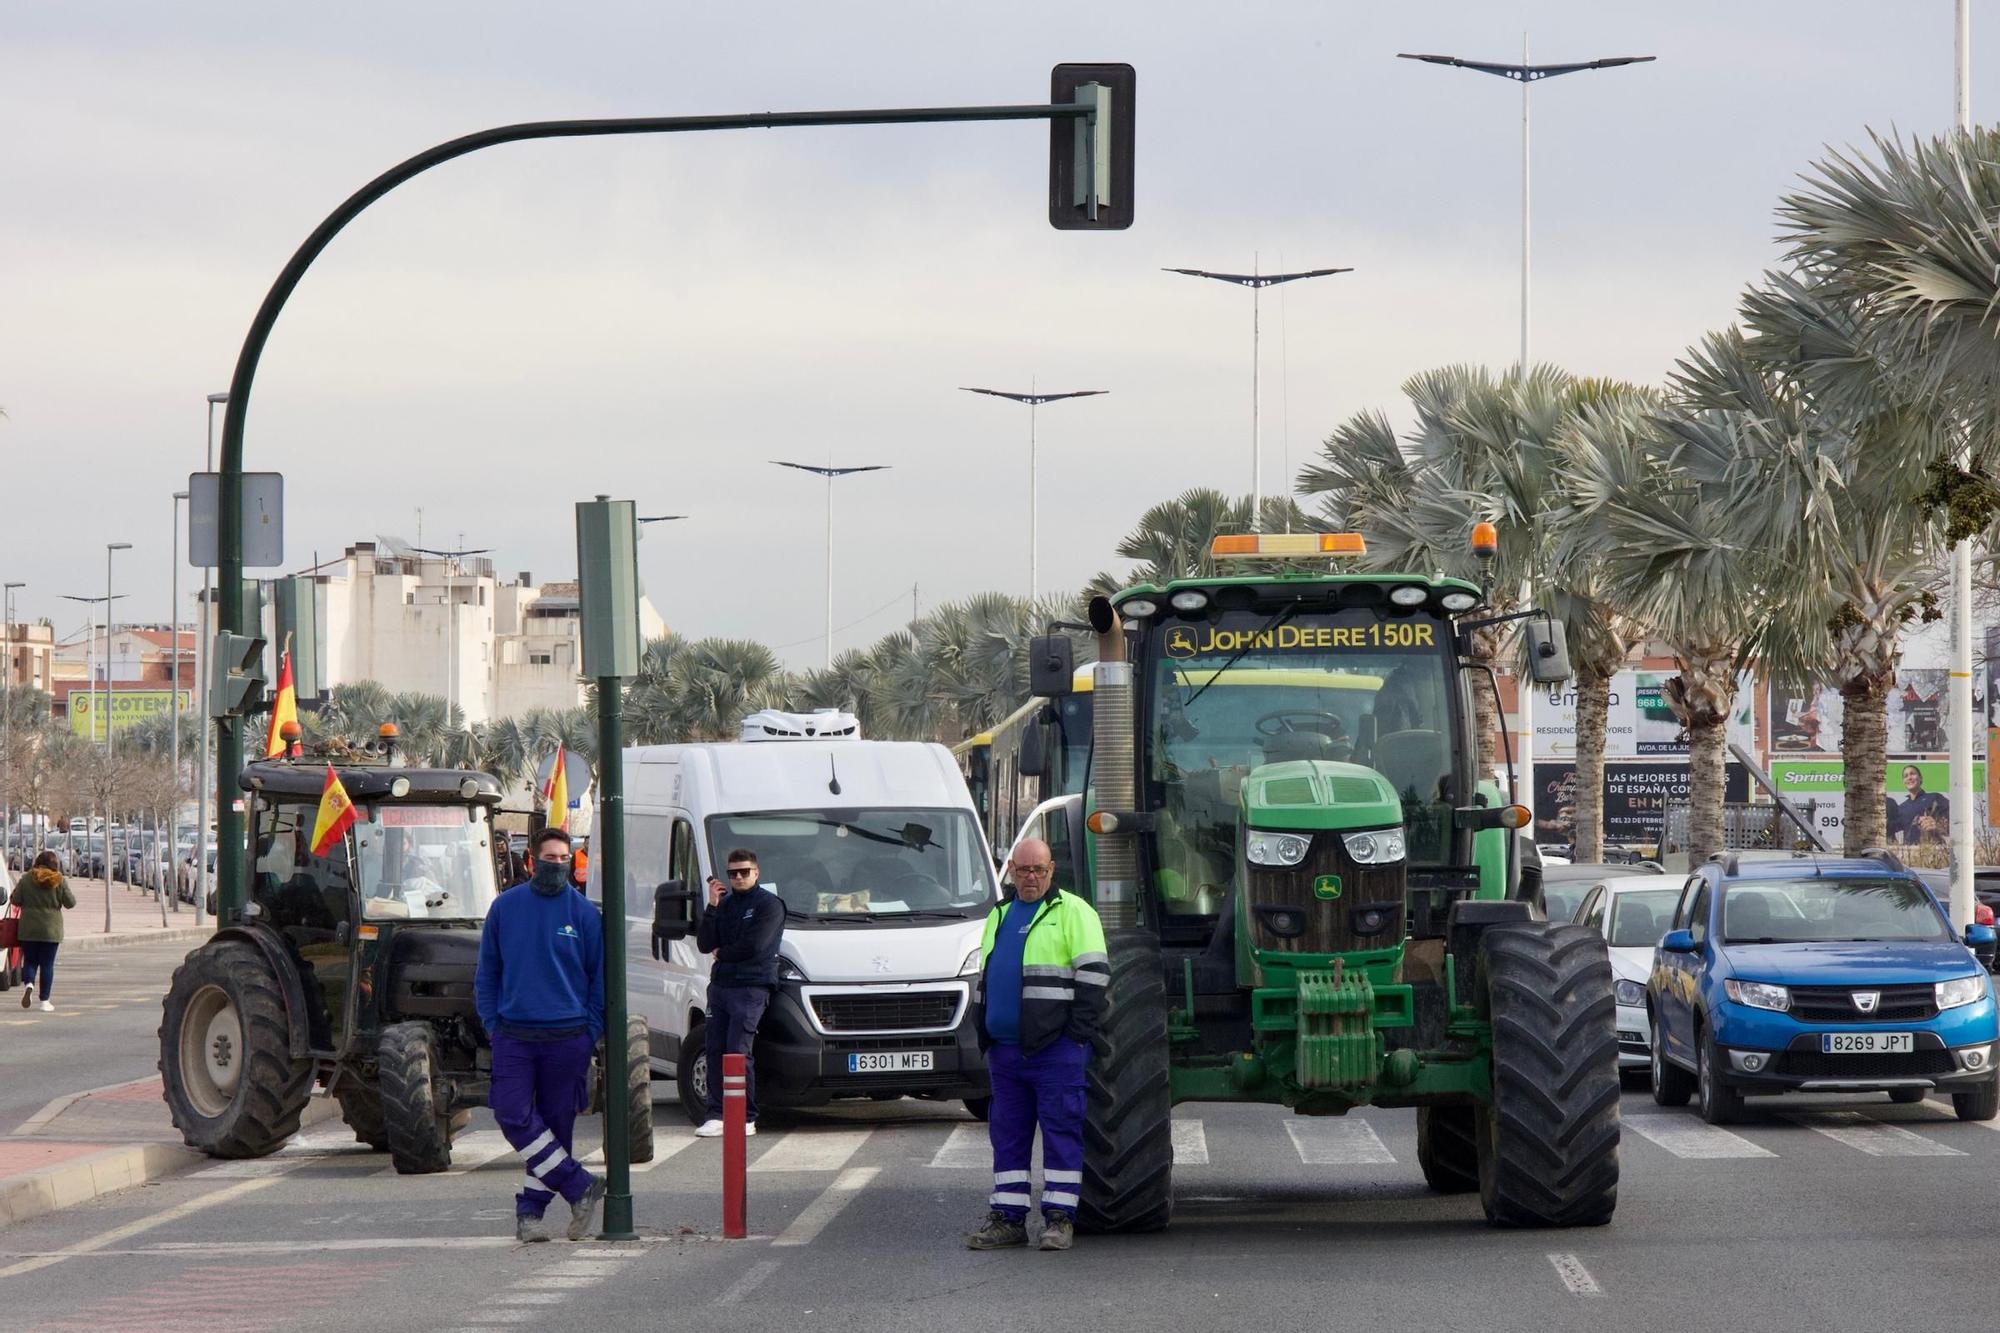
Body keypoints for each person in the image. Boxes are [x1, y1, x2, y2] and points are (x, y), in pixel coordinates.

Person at [964, 837, 1109, 1253]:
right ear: (1011, 869)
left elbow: (1095, 979)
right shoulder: (1000, 914)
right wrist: (985, 1033)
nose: (1031, 878)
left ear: (1051, 870)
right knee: (1007, 1136)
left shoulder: (1073, 912)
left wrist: (1076, 1036)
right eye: (1024, 870)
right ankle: (1008, 1219)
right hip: (1006, 1052)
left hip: (1055, 1051)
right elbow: (986, 981)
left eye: (1039, 870)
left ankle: (1060, 1220)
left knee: (1062, 1132)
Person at [475, 827, 607, 1243]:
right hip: (513, 1035)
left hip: (568, 1037)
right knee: (512, 1113)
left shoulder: (585, 914)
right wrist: (492, 1025)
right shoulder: (505, 908)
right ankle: (578, 1184)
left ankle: (529, 1215)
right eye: (549, 858)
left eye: (563, 858)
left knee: (555, 1127)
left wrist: (590, 1032)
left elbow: (598, 980)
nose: (556, 865)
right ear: (532, 860)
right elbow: (487, 973)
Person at [694, 847, 785, 1138]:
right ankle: (716, 1113)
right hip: (721, 986)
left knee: (738, 1050)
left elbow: (756, 947)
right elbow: (705, 943)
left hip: (750, 986)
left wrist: (724, 952)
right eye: (733, 873)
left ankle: (745, 1116)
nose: (739, 877)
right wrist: (712, 906)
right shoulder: (726, 904)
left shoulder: (769, 905)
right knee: (715, 1048)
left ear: (756, 873)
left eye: (744, 872)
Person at [12, 850, 76, 1012]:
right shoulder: (58, 880)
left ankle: (29, 984)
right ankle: (45, 1001)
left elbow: (15, 899)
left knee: (30, 961)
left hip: (29, 929)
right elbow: (70, 903)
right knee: (47, 964)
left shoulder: (27, 878)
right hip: (51, 929)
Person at [1895, 764, 1950, 846]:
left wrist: (1937, 826)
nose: (1909, 778)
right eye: (1905, 776)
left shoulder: (1934, 797)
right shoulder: (1901, 807)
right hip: (1909, 852)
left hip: (1933, 850)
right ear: (1903, 782)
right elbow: (1890, 830)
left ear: (1920, 778)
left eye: (1912, 774)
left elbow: (1954, 820)